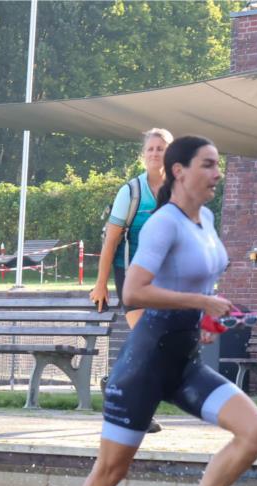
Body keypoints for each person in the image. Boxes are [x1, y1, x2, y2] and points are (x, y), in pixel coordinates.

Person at [63, 136, 257, 486]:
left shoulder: (207, 220)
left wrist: (205, 319)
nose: (218, 173)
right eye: (209, 164)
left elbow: (196, 280)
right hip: (144, 366)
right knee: (110, 471)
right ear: (179, 171)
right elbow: (134, 292)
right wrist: (200, 303)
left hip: (183, 362)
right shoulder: (163, 224)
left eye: (219, 164)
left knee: (255, 432)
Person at [91, 128, 173, 434]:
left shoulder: (179, 189)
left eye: (161, 148)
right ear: (143, 154)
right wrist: (100, 284)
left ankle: (114, 383)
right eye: (150, 149)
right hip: (132, 276)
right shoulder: (131, 192)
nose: (155, 153)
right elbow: (111, 242)